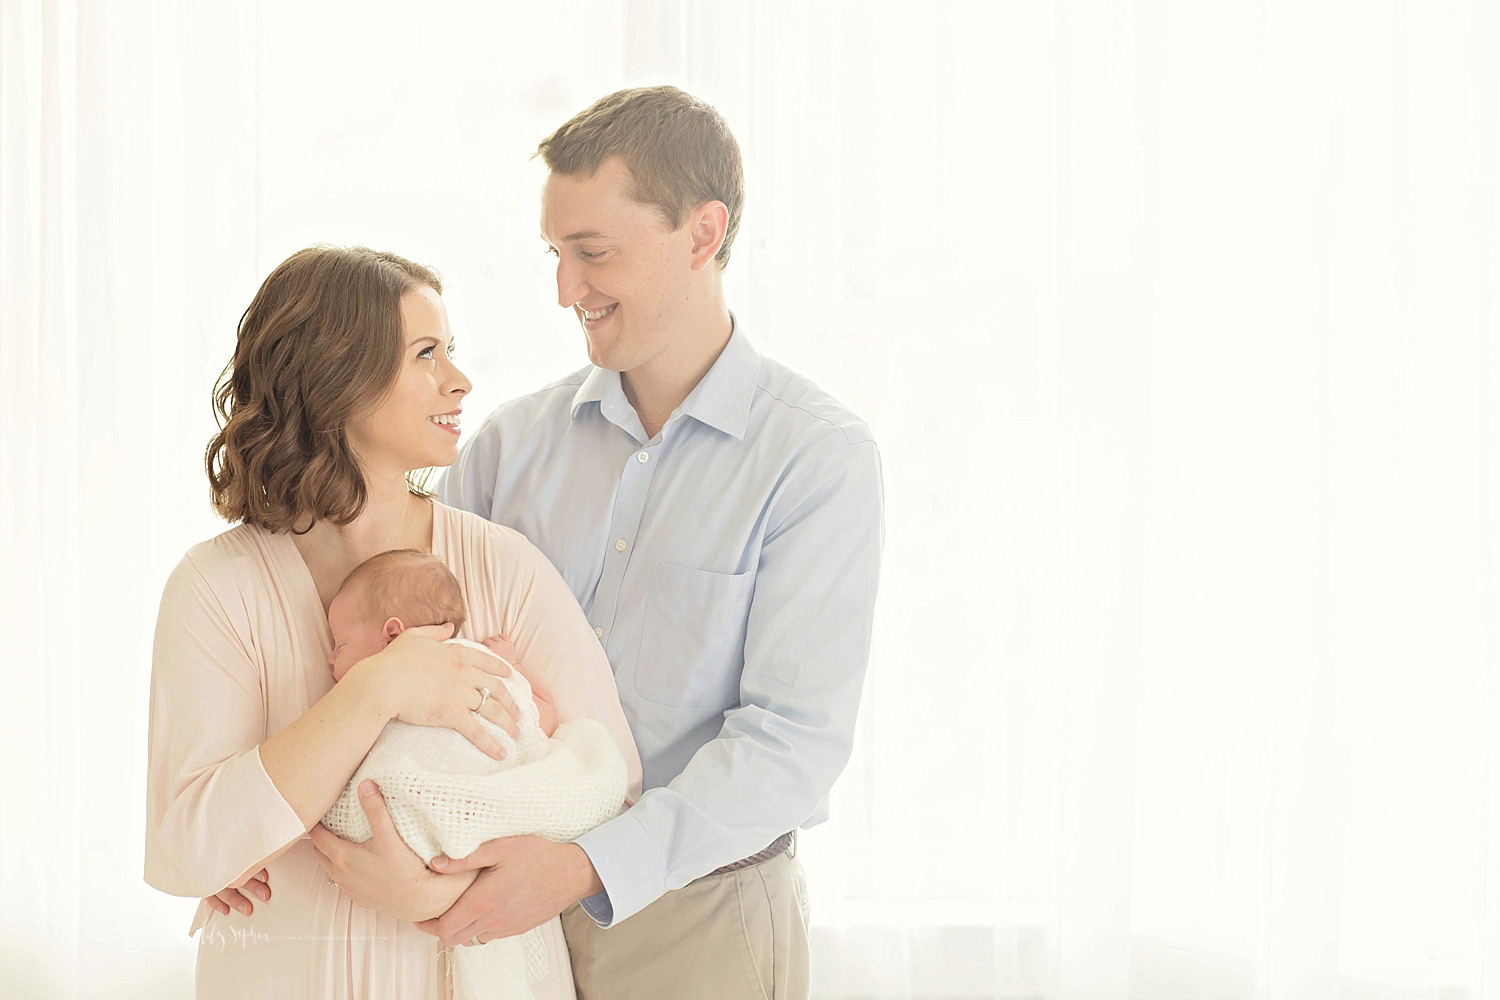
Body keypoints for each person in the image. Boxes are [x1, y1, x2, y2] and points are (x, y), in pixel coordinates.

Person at [313, 86, 885, 998]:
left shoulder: (815, 459)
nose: (564, 290)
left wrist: (584, 866)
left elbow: (790, 743)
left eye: (594, 253)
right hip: (495, 910)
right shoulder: (507, 445)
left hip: (697, 919)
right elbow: (415, 647)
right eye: (555, 253)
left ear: (703, 235)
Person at [143, 244, 641, 999]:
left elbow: (609, 789)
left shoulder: (502, 568)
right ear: (337, 378)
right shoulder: (216, 591)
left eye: (453, 350)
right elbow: (188, 849)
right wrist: (379, 688)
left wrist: (436, 897)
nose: (460, 379)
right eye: (426, 353)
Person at [319, 548, 631, 1000]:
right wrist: (513, 666)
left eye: (339, 645)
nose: (331, 661)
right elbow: (541, 717)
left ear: (392, 635)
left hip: (436, 810)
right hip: (485, 808)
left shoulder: (402, 676)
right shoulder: (485, 662)